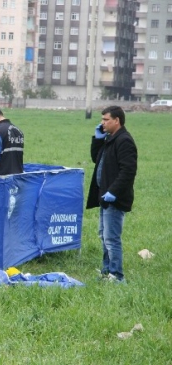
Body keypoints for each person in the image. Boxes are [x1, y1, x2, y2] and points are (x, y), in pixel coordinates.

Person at [87, 106, 137, 283]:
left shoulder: (124, 141)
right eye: (102, 120)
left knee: (111, 238)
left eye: (106, 120)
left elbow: (128, 171)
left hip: (114, 198)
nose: (102, 123)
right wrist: (98, 140)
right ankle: (106, 271)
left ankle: (117, 276)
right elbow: (96, 158)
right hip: (104, 197)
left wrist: (113, 192)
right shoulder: (110, 139)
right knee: (104, 235)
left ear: (117, 120)